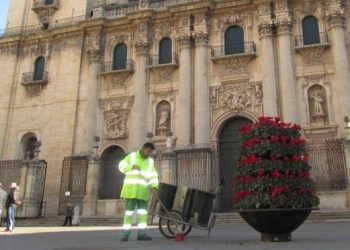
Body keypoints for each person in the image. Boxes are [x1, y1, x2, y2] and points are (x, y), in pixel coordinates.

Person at [118, 142, 159, 242]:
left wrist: (154, 186)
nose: (149, 153)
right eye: (148, 151)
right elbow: (121, 166)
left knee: (143, 214)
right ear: (144, 148)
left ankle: (142, 234)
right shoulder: (131, 157)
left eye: (151, 152)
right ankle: (125, 234)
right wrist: (131, 167)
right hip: (131, 190)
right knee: (128, 213)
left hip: (143, 191)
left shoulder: (150, 162)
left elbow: (153, 175)